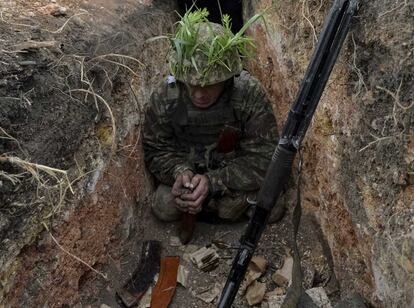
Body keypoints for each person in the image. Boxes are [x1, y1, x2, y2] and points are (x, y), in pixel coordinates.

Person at [143, 10, 284, 241]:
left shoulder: (248, 94)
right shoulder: (166, 96)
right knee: (163, 206)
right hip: (187, 176)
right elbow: (156, 149)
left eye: (210, 84)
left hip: (229, 175)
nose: (199, 94)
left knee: (272, 207)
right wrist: (181, 173)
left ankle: (213, 208)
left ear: (229, 77)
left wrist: (213, 181)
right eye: (192, 84)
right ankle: (205, 206)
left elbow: (264, 157)